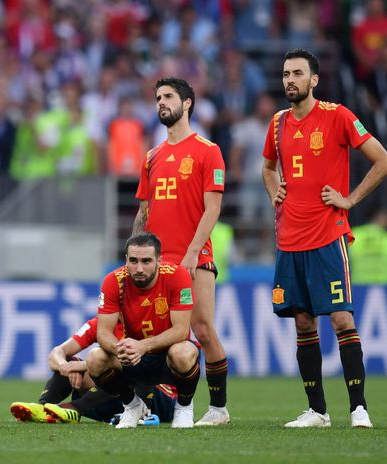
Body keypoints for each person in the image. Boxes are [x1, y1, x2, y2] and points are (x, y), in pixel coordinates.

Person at [261, 49, 387, 428]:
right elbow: (267, 168)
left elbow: (383, 160)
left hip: (327, 236)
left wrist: (349, 199)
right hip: (289, 240)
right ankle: (317, 411)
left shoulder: (337, 116)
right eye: (286, 73)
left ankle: (358, 408)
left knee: (340, 319)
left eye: (297, 73)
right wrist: (274, 191)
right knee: (303, 323)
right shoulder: (276, 124)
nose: (290, 79)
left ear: (313, 80)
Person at [133, 77, 231, 426]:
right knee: (151, 339)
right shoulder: (152, 156)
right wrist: (132, 255)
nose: (161, 102)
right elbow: (143, 210)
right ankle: (147, 406)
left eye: (169, 96)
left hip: (194, 258)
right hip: (157, 263)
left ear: (187, 103)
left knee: (202, 330)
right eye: (158, 97)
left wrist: (191, 254)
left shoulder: (208, 150)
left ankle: (218, 408)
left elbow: (213, 209)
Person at [85, 232, 201, 429]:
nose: (139, 268)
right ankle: (132, 406)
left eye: (146, 261)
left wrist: (143, 345)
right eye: (133, 261)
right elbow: (103, 332)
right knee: (94, 359)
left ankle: (184, 406)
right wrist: (120, 348)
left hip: (167, 358)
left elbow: (181, 331)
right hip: (133, 358)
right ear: (126, 260)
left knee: (183, 352)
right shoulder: (113, 281)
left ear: (159, 260)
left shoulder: (177, 276)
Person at [9, 316, 177, 425]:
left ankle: (74, 408)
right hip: (119, 400)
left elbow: (136, 362)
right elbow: (56, 352)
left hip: (159, 398)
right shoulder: (100, 324)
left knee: (116, 371)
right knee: (71, 362)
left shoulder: (148, 321)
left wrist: (83, 366)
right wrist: (66, 367)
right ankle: (44, 408)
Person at [349, 209, 387, 285]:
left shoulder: (355, 234)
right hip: (384, 285)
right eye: (386, 215)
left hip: (356, 285)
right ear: (378, 216)